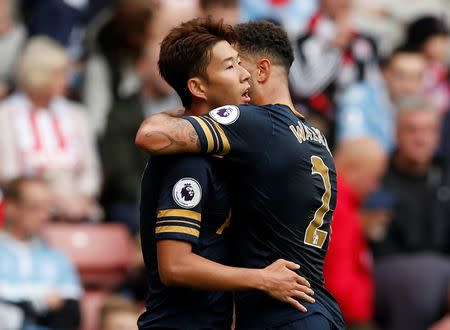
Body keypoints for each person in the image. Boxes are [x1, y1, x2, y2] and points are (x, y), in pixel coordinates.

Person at [136, 20, 345, 329]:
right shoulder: (190, 162)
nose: (243, 74)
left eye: (239, 63)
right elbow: (174, 265)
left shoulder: (246, 138)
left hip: (285, 315)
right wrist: (260, 278)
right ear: (198, 87)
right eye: (230, 66)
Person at [0, 36, 102, 222]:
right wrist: (54, 200)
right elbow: (9, 173)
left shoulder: (78, 115)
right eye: (60, 74)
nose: (67, 80)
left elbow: (91, 171)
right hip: (28, 210)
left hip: (78, 209)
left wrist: (81, 199)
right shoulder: (6, 115)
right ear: (38, 74)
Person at [0, 176, 82, 329]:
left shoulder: (58, 257)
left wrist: (23, 306)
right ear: (11, 208)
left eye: (47, 208)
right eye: (34, 207)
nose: (44, 216)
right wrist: (42, 303)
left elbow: (71, 315)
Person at [324, 137, 387, 329]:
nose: (375, 187)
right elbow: (338, 281)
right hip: (347, 318)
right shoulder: (339, 207)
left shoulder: (340, 201)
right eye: (373, 178)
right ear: (352, 169)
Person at [336, 45, 426, 152]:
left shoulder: (422, 108)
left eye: (416, 77)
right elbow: (353, 146)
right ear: (385, 73)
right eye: (401, 76)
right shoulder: (357, 97)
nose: (409, 86)